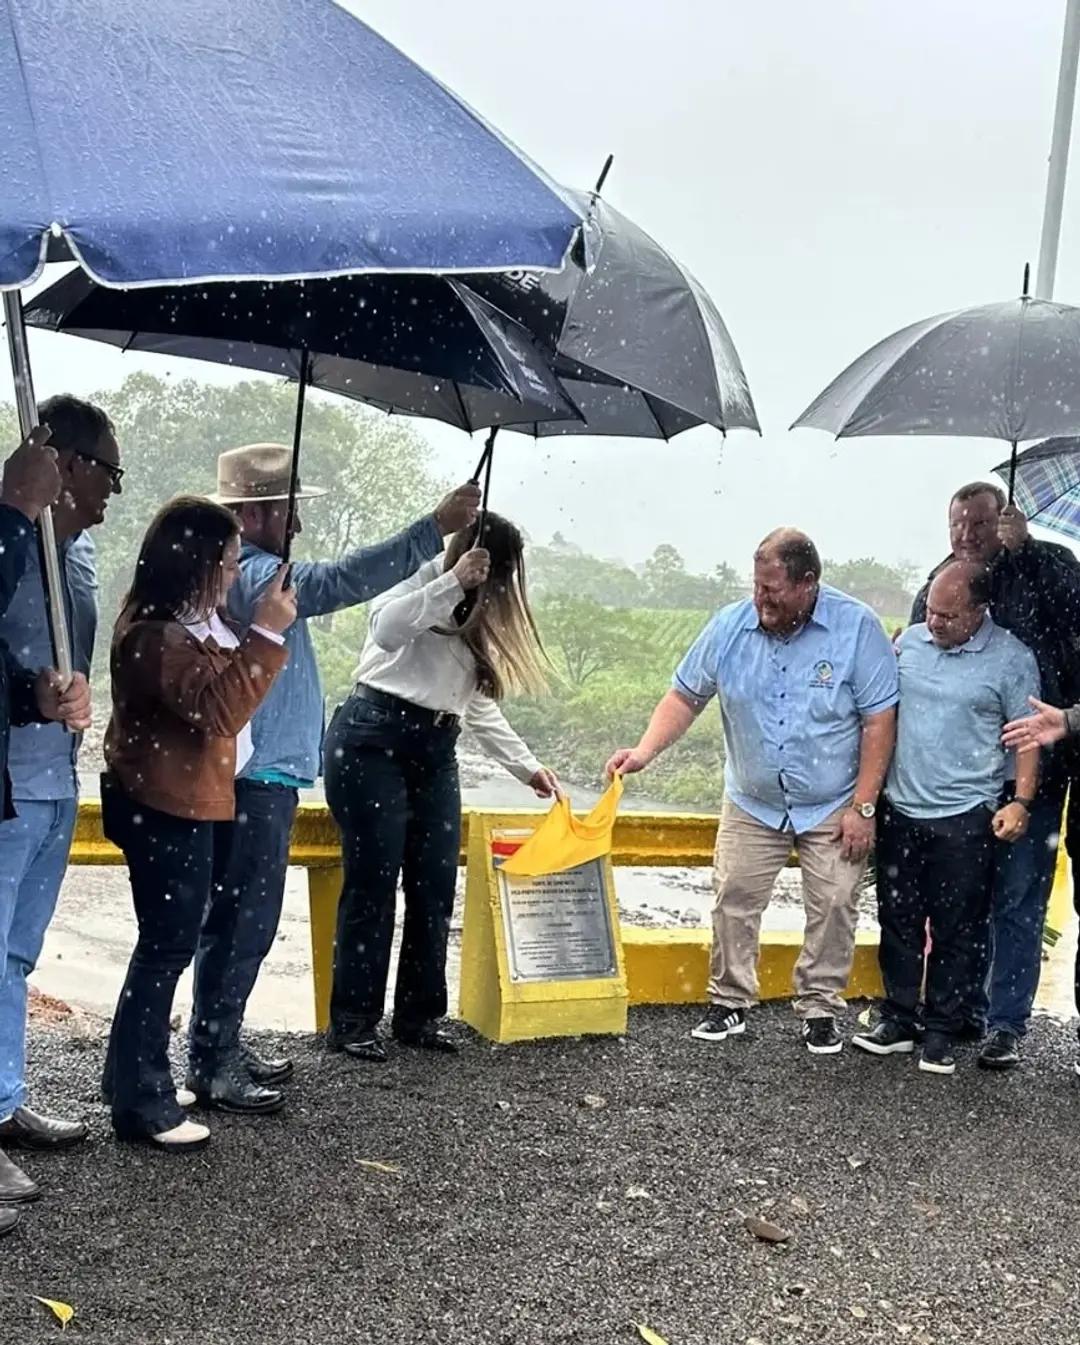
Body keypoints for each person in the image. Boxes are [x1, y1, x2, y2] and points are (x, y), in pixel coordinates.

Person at [181, 444, 479, 1112]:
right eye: (289, 508)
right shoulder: (259, 577)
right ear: (257, 511)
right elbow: (344, 579)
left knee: (240, 916)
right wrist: (433, 528)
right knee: (243, 918)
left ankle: (218, 1041)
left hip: (265, 772)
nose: (298, 523)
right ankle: (212, 1055)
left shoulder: (252, 571)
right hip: (255, 775)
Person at [606, 528, 898, 1055]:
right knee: (734, 895)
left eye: (774, 590)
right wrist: (645, 752)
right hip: (752, 795)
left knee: (834, 903)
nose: (761, 599)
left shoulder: (856, 628)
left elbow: (880, 721)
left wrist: (863, 805)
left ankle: (819, 1009)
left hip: (834, 797)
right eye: (757, 587)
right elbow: (685, 696)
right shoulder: (728, 627)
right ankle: (729, 1002)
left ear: (809, 583)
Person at [325, 511, 559, 1061]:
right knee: (373, 884)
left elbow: (474, 702)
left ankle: (419, 1017)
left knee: (432, 888)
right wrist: (453, 581)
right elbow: (386, 628)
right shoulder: (421, 574)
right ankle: (354, 1020)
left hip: (435, 747)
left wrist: (526, 767)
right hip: (372, 736)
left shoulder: (480, 608)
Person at [100, 498, 295, 1150]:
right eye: (231, 561)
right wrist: (266, 634)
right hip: (166, 807)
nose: (237, 574)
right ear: (201, 563)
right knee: (164, 949)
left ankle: (134, 1075)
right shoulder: (157, 639)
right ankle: (143, 1101)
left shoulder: (189, 628)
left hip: (186, 803)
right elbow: (218, 712)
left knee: (166, 946)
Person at [911, 482, 1080, 1069]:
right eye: (957, 524)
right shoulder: (943, 580)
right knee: (963, 899)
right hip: (961, 774)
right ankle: (962, 1008)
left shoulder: (1051, 565)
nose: (966, 537)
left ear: (1003, 520)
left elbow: (1070, 620)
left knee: (1019, 896)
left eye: (978, 525)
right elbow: (918, 657)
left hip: (1041, 760)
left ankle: (1008, 1021)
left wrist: (1027, 550)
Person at [853, 563, 1040, 1076]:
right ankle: (897, 1018)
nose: (935, 622)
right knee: (899, 920)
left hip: (966, 815)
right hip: (902, 807)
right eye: (931, 611)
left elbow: (1027, 736)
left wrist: (1020, 802)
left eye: (948, 615)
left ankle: (942, 1029)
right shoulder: (909, 643)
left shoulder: (1010, 658)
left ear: (980, 611)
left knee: (959, 928)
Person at [0, 396, 114, 1204]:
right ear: (64, 465)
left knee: (14, 956)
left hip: (56, 778)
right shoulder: (8, 534)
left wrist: (52, 700)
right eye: (106, 469)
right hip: (7, 782)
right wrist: (11, 507)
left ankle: (3, 1099)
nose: (112, 489)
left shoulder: (76, 558)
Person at [1002, 693, 1080, 1076]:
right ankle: (995, 1021)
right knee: (1013, 899)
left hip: (1055, 738)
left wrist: (1071, 720)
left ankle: (1002, 1021)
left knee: (1021, 901)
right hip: (1030, 752)